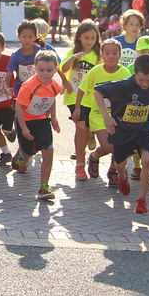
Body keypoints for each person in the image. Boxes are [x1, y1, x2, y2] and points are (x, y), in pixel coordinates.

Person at [94, 54, 149, 214]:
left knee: (148, 160)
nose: (145, 84)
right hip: (123, 129)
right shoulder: (124, 85)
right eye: (141, 80)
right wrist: (107, 117)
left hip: (143, 128)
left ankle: (141, 200)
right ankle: (121, 175)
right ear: (135, 73)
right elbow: (98, 92)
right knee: (120, 164)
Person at [12, 51, 64, 202]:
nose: (45, 73)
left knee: (48, 150)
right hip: (25, 121)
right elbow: (19, 108)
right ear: (35, 69)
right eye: (41, 70)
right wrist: (24, 128)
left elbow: (51, 100)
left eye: (49, 70)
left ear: (56, 69)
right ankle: (24, 153)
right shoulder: (28, 86)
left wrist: (54, 118)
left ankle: (44, 187)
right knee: (29, 151)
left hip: (42, 121)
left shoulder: (55, 86)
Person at [78, 39, 131, 187]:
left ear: (120, 55)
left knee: (119, 147)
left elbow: (129, 94)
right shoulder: (95, 71)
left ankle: (113, 171)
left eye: (115, 53)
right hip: (98, 114)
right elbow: (82, 89)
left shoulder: (125, 73)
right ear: (102, 55)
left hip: (118, 116)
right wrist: (77, 108)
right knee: (108, 146)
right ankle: (94, 156)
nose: (111, 56)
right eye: (107, 53)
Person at [62, 20, 101, 180]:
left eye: (93, 38)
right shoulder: (73, 52)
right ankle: (80, 163)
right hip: (74, 96)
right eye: (86, 38)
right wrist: (73, 58)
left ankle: (88, 139)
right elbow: (62, 69)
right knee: (80, 125)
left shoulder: (98, 54)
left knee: (86, 127)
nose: (89, 42)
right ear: (79, 38)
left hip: (91, 98)